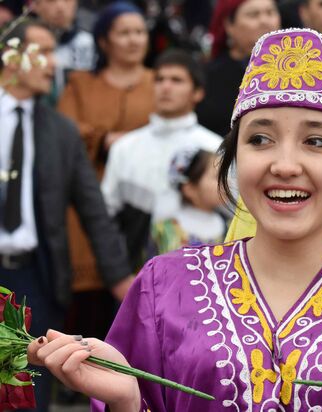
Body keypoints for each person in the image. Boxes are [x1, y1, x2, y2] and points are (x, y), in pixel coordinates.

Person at [29, 28, 322, 411]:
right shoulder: (164, 283)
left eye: (316, 141)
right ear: (234, 159)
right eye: (260, 140)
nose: (284, 164)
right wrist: (129, 400)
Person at [0, 20, 132, 411]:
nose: (52, 64)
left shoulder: (61, 131)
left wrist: (122, 279)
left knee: (28, 392)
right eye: (41, 51)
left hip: (32, 280)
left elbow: (93, 210)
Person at [56, 1, 153, 336]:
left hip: (144, 202)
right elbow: (65, 130)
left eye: (139, 32)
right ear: (103, 41)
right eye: (124, 33)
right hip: (88, 196)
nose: (134, 40)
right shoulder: (81, 84)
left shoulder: (159, 82)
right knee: (87, 305)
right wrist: (104, 139)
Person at [101, 49, 222, 270]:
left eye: (176, 80)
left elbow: (234, 217)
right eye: (159, 79)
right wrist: (118, 277)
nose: (165, 87)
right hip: (135, 279)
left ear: (197, 93)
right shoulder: (124, 148)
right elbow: (106, 219)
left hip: (208, 280)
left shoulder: (217, 149)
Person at [196, 0, 280, 136]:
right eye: (253, 15)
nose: (265, 21)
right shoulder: (208, 76)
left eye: (270, 12)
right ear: (229, 25)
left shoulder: (297, 70)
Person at [151, 147, 226, 255]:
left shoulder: (229, 226)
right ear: (190, 189)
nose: (225, 181)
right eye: (216, 177)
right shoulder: (164, 230)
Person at [33, 0, 95, 104]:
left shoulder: (92, 41)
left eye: (67, 0)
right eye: (51, 1)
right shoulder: (24, 44)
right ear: (36, 5)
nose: (60, 7)